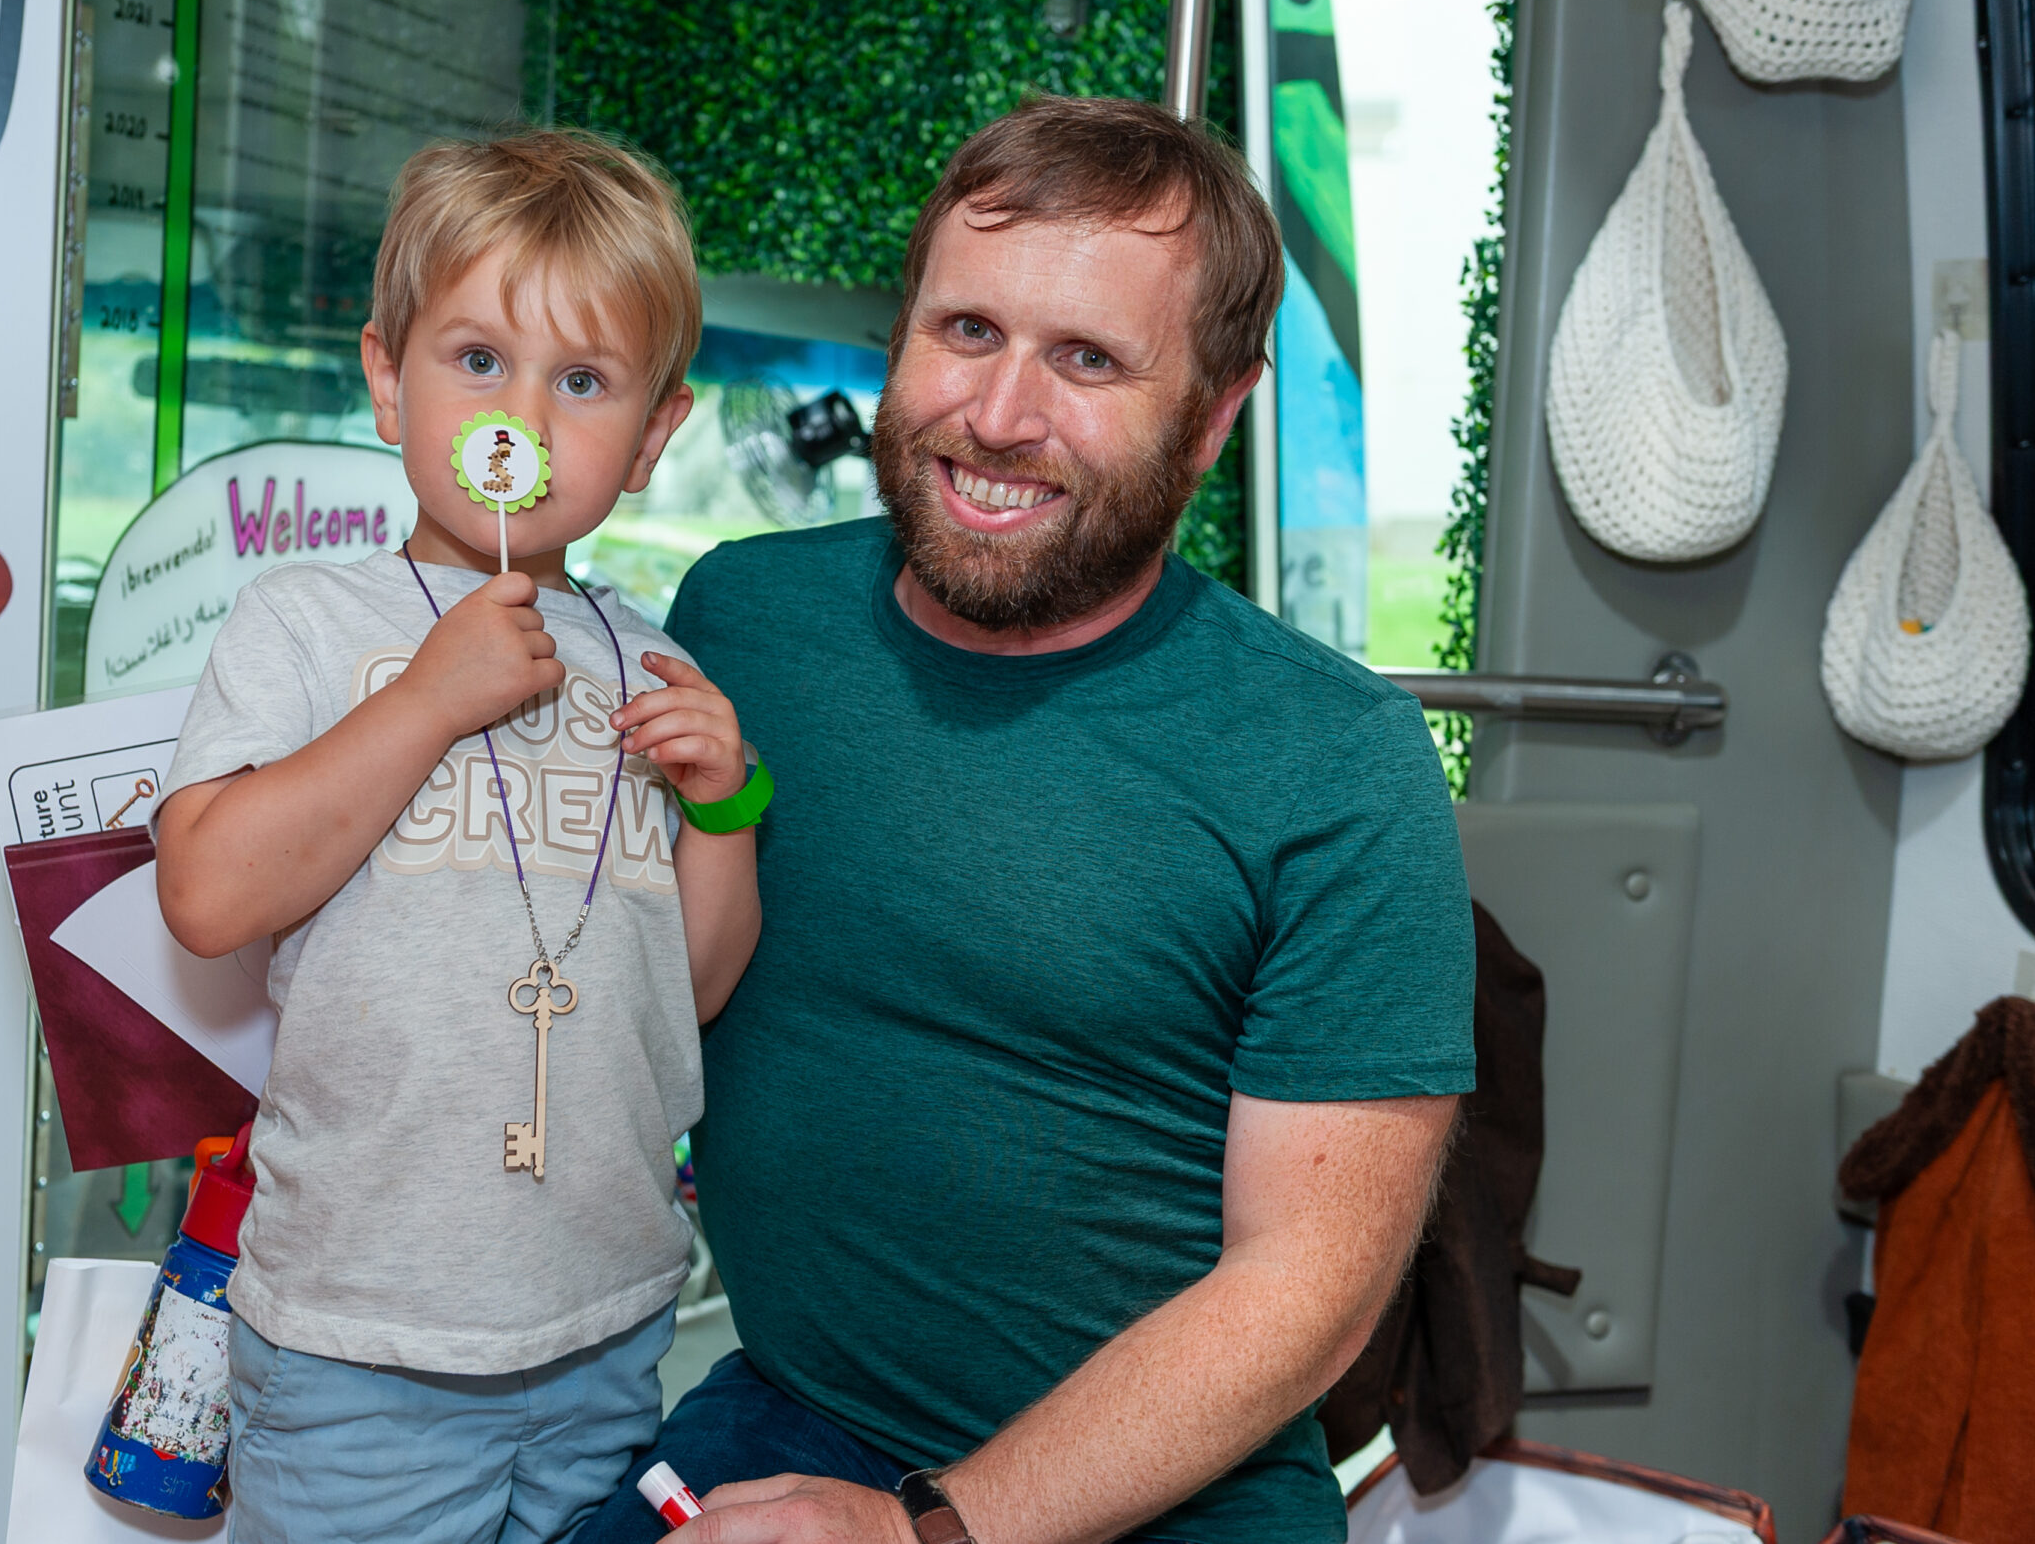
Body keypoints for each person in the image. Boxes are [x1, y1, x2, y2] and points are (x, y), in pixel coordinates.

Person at [581, 95, 1473, 1544]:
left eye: (1088, 359)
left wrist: (926, 1529)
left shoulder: (1336, 762)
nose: (999, 417)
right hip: (790, 1409)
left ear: (1214, 415)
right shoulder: (744, 620)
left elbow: (1308, 1295)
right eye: (968, 331)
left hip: (1172, 1499)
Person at [153, 129, 766, 1544]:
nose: (525, 417)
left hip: (605, 1328)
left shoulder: (654, 665)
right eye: (479, 360)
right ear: (389, 379)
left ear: (654, 435)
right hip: (357, 1340)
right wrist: (428, 700)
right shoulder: (305, 622)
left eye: (583, 382)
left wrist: (725, 809)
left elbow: (693, 990)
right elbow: (206, 892)